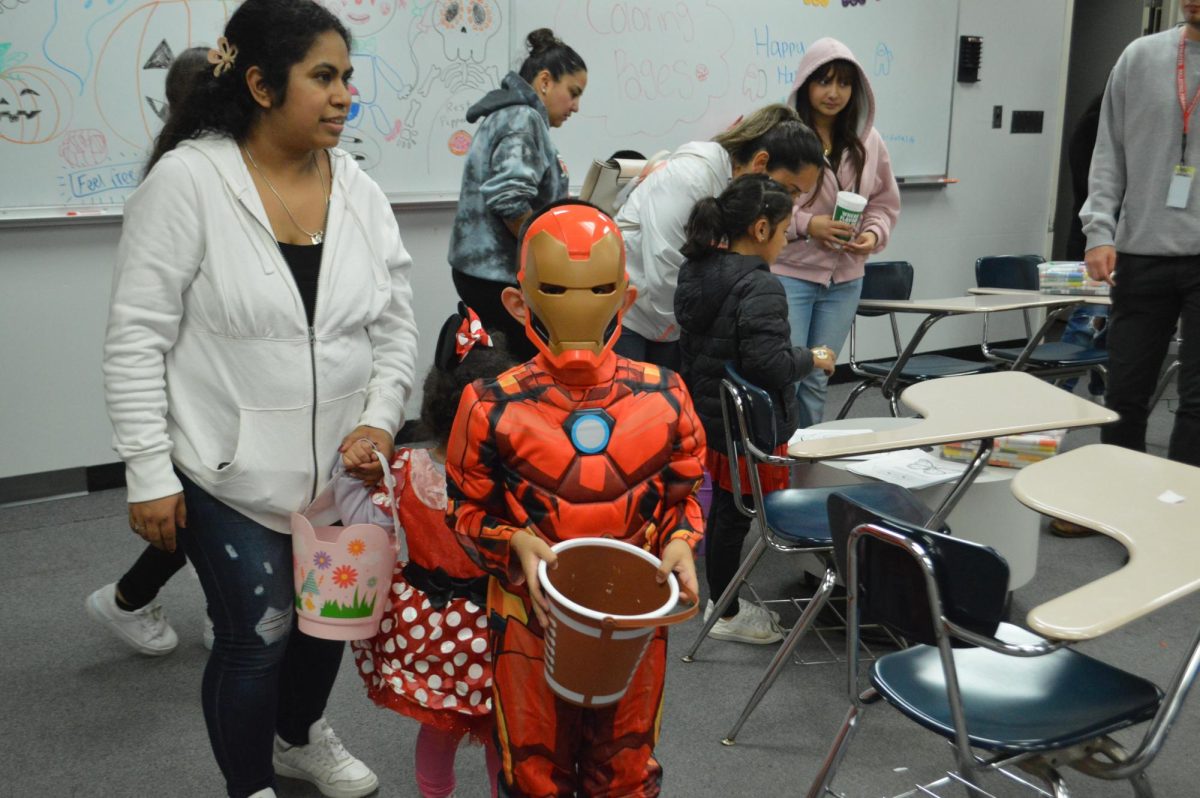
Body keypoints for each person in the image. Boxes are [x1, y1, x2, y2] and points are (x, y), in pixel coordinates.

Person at [102, 2, 419, 796]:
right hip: (224, 469)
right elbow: (136, 336)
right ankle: (252, 785)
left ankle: (296, 736)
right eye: (324, 76)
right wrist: (148, 469)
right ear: (260, 84)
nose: (346, 93)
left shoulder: (357, 187)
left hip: (341, 473)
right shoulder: (190, 182)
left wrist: (381, 416)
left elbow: (395, 323)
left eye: (347, 75)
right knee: (259, 634)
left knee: (329, 623)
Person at [446, 201, 706, 796]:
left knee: (627, 768)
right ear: (519, 301)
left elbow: (685, 497)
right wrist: (512, 539)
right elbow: (462, 510)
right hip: (528, 618)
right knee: (534, 773)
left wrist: (682, 543)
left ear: (625, 297)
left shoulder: (666, 396)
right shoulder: (490, 405)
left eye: (598, 289)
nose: (578, 305)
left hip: (636, 621)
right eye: (557, 288)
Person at [338, 307, 514, 798]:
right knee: (506, 734)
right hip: (501, 630)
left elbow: (359, 518)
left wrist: (356, 465)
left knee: (438, 731)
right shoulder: (518, 486)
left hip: (428, 633)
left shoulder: (401, 468)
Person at [87, 45, 215, 657]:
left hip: (206, 387)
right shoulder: (180, 179)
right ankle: (127, 600)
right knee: (195, 516)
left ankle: (136, 600)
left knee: (203, 517)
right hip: (190, 389)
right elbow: (139, 332)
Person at [675, 174, 835, 644]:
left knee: (727, 510)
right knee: (734, 515)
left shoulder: (700, 268)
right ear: (761, 230)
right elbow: (770, 365)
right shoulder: (761, 286)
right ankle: (723, 611)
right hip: (746, 427)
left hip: (712, 414)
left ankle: (721, 601)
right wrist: (814, 358)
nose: (786, 242)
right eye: (785, 232)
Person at [614, 103, 826, 371]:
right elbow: (665, 269)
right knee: (631, 404)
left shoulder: (741, 192)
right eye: (791, 189)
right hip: (631, 313)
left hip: (671, 322)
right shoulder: (690, 177)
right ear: (761, 163)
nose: (791, 202)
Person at [1081, 8, 1200, 467]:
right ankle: (1117, 496)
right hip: (1139, 251)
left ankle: (1182, 512)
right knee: (1124, 393)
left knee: (1196, 402)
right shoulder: (1140, 56)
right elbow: (1108, 149)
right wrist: (1098, 231)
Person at [773, 37, 901, 427]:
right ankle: (779, 467)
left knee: (817, 378)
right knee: (786, 378)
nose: (833, 93)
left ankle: (808, 468)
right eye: (823, 82)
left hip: (844, 280)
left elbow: (883, 201)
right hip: (790, 272)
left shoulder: (869, 140)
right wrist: (806, 224)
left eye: (843, 84)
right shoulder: (784, 135)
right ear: (805, 85)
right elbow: (763, 198)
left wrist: (874, 235)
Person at [447, 28, 586, 361]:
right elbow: (509, 199)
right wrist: (549, 253)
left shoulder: (508, 113)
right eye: (574, 92)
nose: (577, 106)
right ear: (545, 81)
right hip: (497, 276)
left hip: (480, 271)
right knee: (522, 371)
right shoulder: (523, 119)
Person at [1059, 94, 1108, 399]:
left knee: (1113, 324)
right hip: (1094, 242)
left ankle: (1101, 387)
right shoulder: (1094, 124)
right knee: (1086, 324)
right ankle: (1056, 395)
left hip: (1125, 244)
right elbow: (1091, 189)